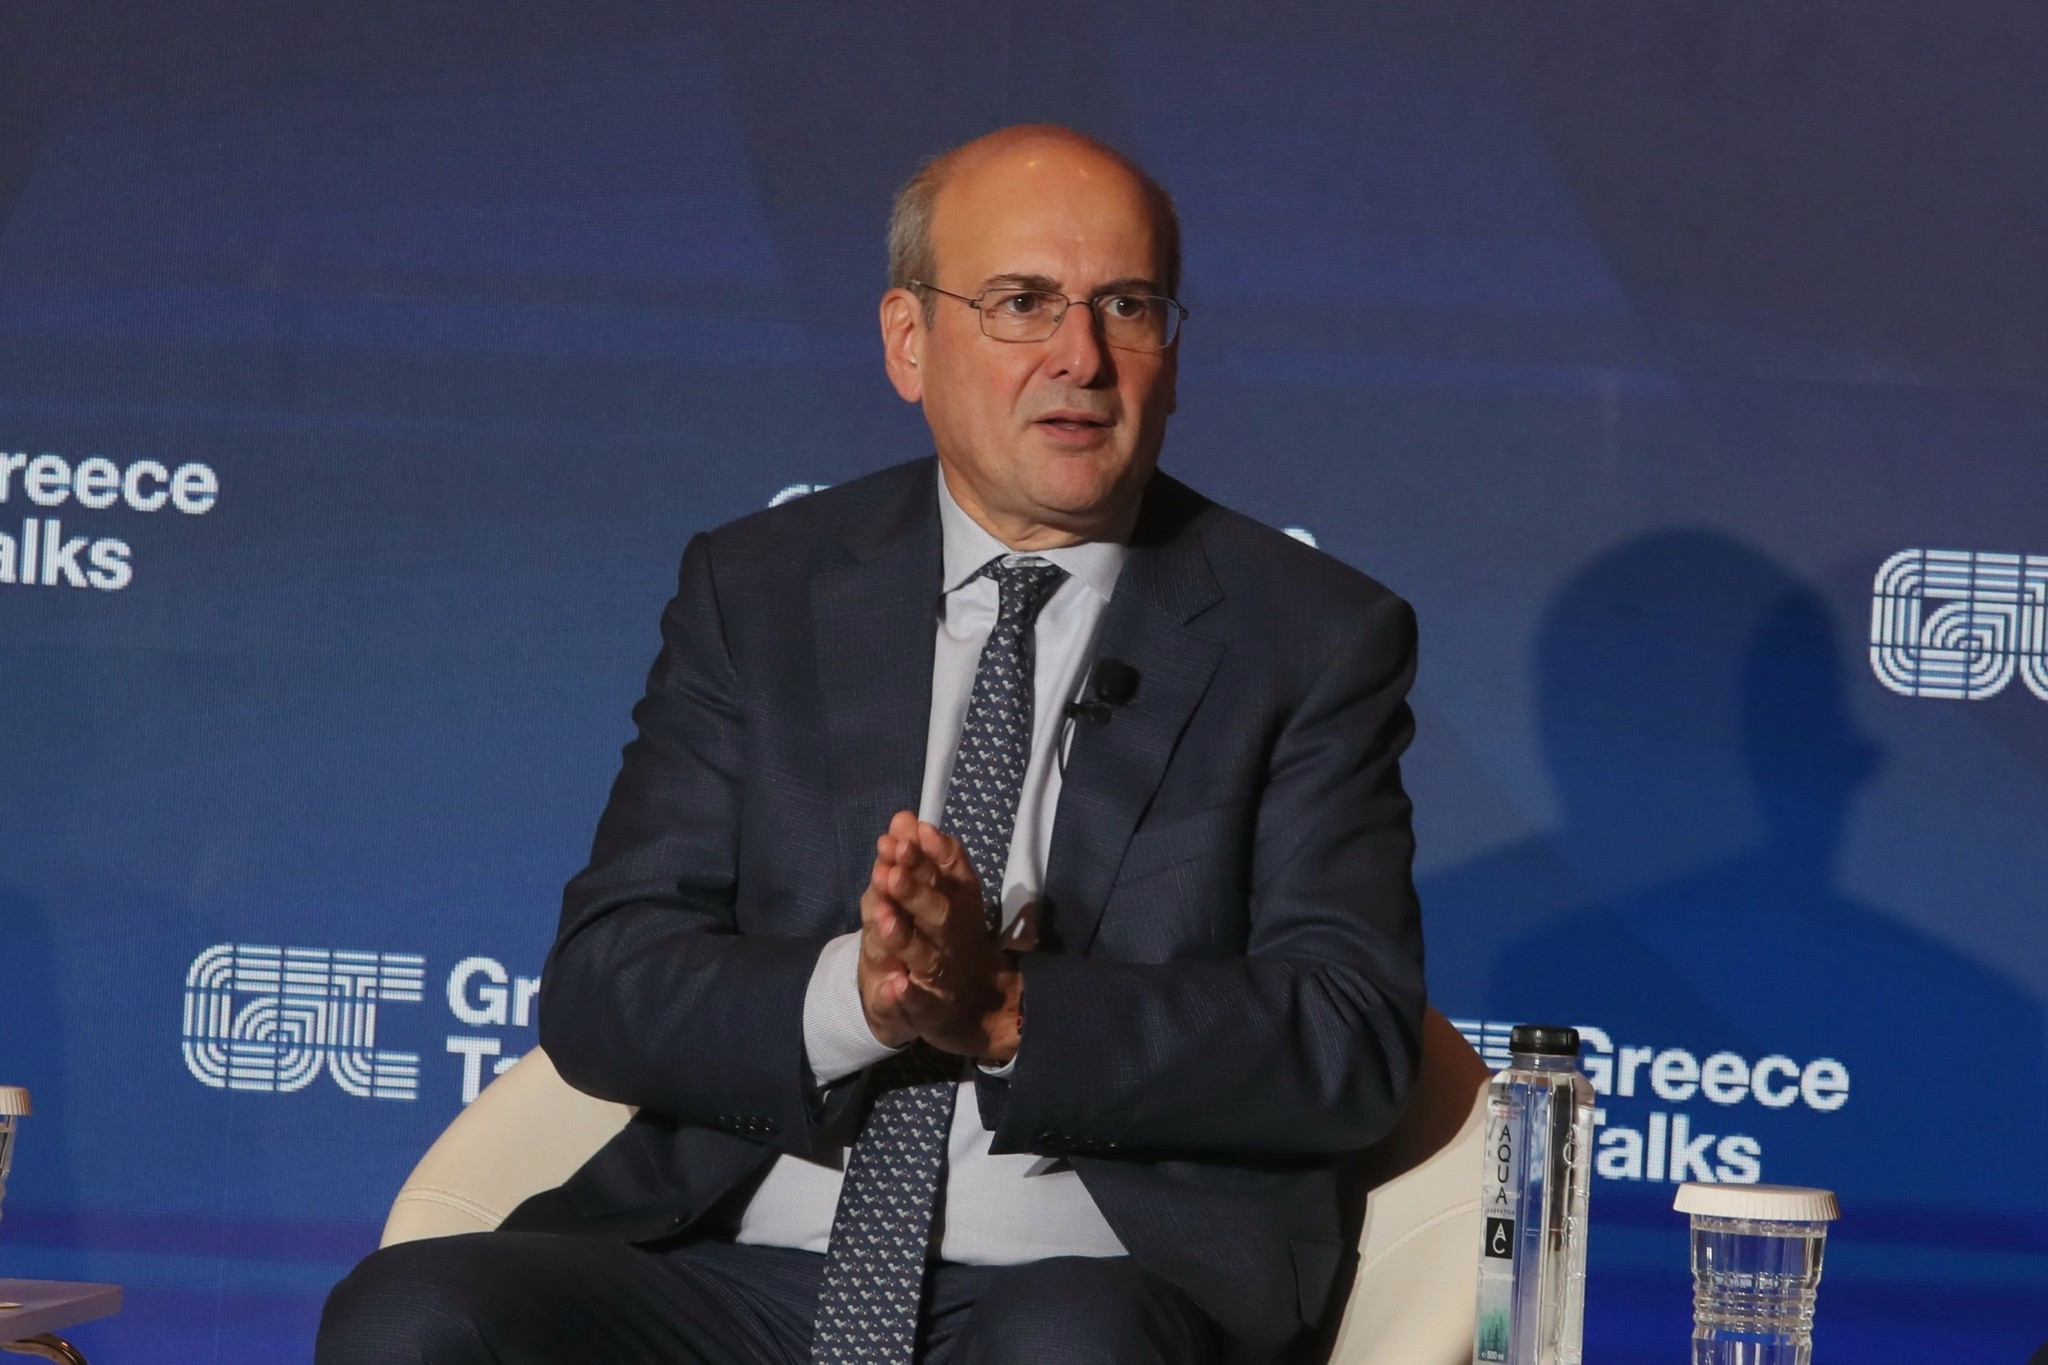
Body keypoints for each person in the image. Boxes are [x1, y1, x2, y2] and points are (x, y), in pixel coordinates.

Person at [318, 123, 1425, 1365]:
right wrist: (863, 995)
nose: (1081, 356)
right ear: (909, 340)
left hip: (1093, 1282)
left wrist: (1004, 1010)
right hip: (733, 1265)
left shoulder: (1306, 635)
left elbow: (1348, 1036)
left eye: (1126, 305)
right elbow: (607, 982)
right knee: (410, 1316)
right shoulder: (761, 588)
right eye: (1022, 303)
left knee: (1065, 1344)